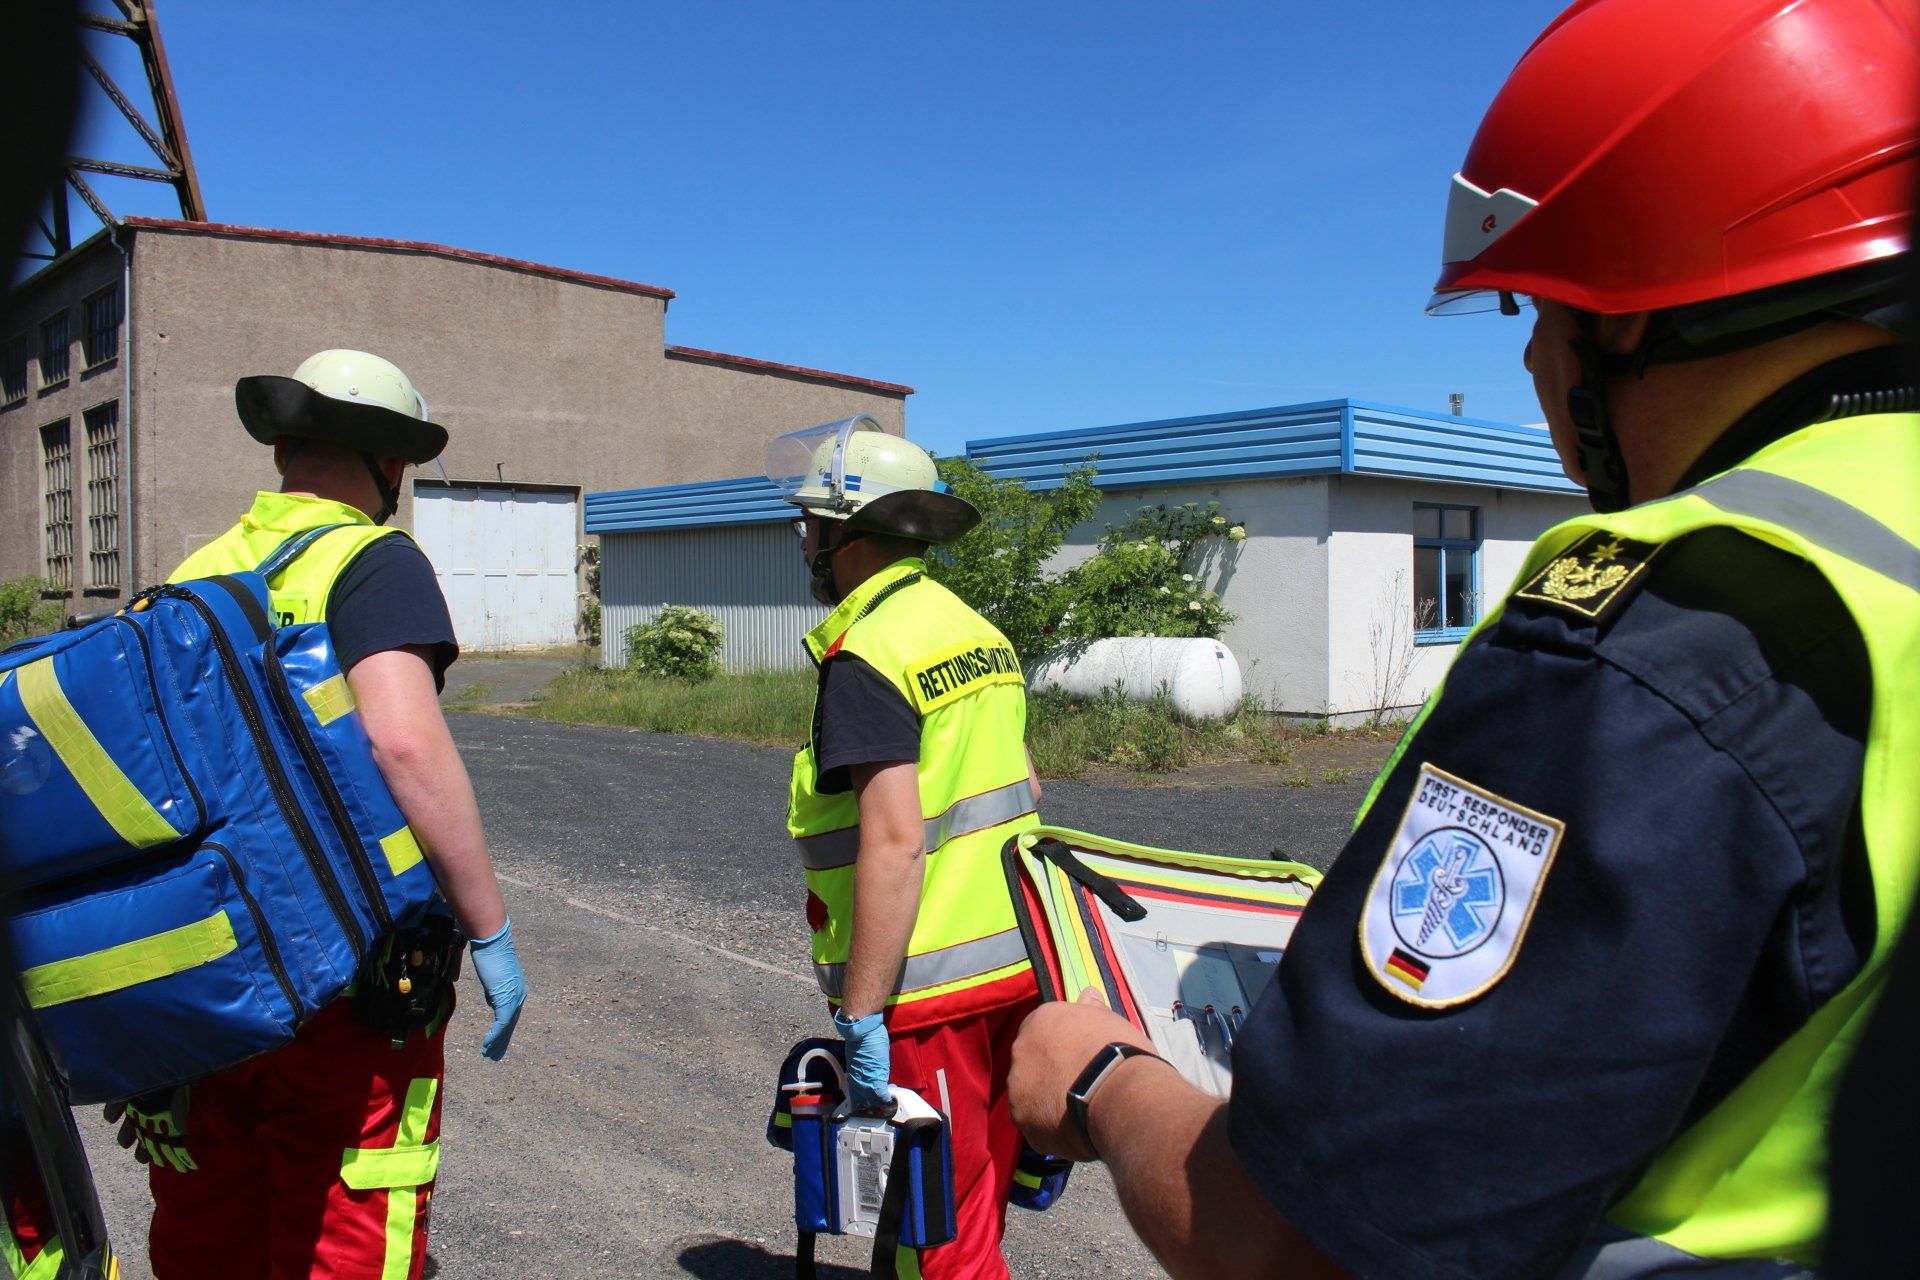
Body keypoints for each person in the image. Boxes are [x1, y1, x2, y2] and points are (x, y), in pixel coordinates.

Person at [1005, 1, 1918, 1277]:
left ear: (1634, 309)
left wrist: (1102, 1073)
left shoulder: (1673, 633)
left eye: (1537, 309)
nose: (1537, 361)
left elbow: (1294, 1245)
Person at [124, 349, 530, 1280]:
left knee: (210, 1228)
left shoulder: (197, 571)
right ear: (388, 462)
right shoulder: (371, 559)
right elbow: (403, 742)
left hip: (207, 982)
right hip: (345, 985)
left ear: (286, 449)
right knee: (344, 1228)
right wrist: (491, 927)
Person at [770, 417, 1044, 1279]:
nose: (805, 540)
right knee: (974, 1199)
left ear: (845, 534)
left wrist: (861, 1017)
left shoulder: (869, 652)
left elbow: (895, 841)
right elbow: (1027, 789)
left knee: (939, 1236)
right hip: (1020, 967)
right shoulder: (974, 633)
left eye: (811, 523)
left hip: (930, 991)